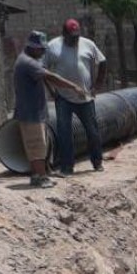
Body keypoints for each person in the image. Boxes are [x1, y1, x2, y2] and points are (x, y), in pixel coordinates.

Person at [13, 31, 86, 188]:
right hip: (31, 113)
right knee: (37, 146)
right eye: (41, 49)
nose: (44, 52)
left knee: (39, 145)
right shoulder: (28, 63)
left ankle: (37, 175)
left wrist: (53, 93)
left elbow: (44, 78)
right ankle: (41, 177)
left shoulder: (28, 60)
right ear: (32, 47)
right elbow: (50, 77)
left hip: (32, 111)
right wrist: (73, 86)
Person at [44, 18, 107, 175]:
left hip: (85, 98)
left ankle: (97, 162)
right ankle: (67, 167)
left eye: (77, 36)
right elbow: (42, 69)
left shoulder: (88, 44)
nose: (75, 39)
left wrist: (97, 85)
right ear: (64, 33)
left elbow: (103, 61)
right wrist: (51, 90)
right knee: (64, 133)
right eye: (72, 36)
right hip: (63, 98)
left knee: (92, 131)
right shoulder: (53, 46)